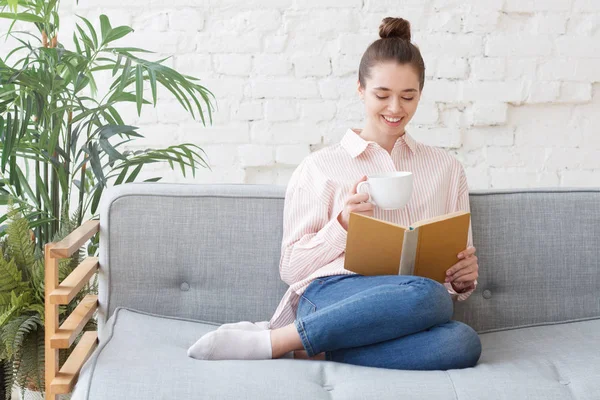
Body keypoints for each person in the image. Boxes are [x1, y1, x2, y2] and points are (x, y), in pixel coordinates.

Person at [188, 16, 482, 370]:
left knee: (462, 341)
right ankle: (273, 341)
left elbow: (453, 275)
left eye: (408, 96)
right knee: (430, 297)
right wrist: (342, 224)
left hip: (402, 307)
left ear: (421, 93)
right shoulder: (320, 167)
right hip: (331, 298)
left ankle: (306, 348)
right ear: (360, 89)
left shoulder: (447, 170)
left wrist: (461, 279)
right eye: (382, 95)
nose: (395, 109)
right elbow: (291, 269)